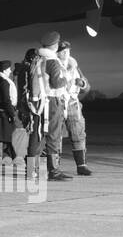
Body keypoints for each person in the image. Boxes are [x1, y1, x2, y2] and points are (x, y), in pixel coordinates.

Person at [33, 31, 70, 180]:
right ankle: (53, 171)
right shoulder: (52, 61)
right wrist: (66, 80)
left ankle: (32, 170)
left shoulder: (40, 59)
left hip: (42, 102)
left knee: (39, 136)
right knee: (53, 136)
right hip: (52, 101)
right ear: (55, 45)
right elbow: (55, 83)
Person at [57, 40, 93, 175]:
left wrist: (82, 83)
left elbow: (87, 87)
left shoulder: (74, 66)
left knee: (78, 134)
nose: (66, 53)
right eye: (62, 51)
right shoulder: (53, 65)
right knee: (56, 136)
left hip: (73, 103)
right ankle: (55, 167)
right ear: (57, 52)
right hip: (58, 103)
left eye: (67, 51)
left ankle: (81, 166)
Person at [13, 49, 44, 183]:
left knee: (33, 137)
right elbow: (29, 90)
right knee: (34, 138)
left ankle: (31, 169)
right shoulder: (29, 70)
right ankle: (31, 170)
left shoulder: (21, 70)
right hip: (32, 107)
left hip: (25, 107)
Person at [0, 59, 25, 160]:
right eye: (9, 69)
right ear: (4, 70)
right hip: (6, 111)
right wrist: (12, 113)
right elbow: (6, 99)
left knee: (2, 136)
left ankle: (3, 158)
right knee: (6, 136)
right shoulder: (4, 82)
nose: (10, 71)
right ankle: (9, 158)